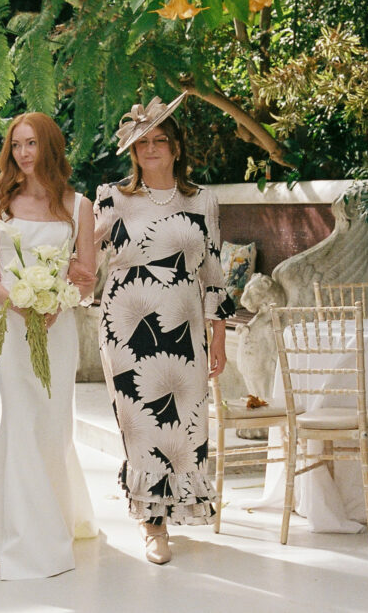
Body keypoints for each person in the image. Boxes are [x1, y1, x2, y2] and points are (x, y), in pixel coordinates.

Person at [0, 112, 97, 580]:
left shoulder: (79, 206)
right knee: (19, 420)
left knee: (51, 424)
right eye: (16, 145)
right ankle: (27, 539)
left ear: (50, 146)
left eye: (31, 143)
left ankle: (45, 517)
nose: (23, 153)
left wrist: (59, 302)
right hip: (12, 327)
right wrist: (17, 301)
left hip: (58, 329)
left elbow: (86, 277)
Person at [92, 94, 234, 565]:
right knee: (141, 424)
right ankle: (152, 523)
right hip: (126, 324)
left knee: (184, 423)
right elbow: (84, 257)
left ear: (176, 147)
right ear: (132, 152)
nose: (150, 149)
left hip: (184, 323)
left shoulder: (202, 200)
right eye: (142, 142)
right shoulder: (112, 197)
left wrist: (218, 334)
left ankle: (172, 508)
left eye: (159, 140)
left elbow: (213, 272)